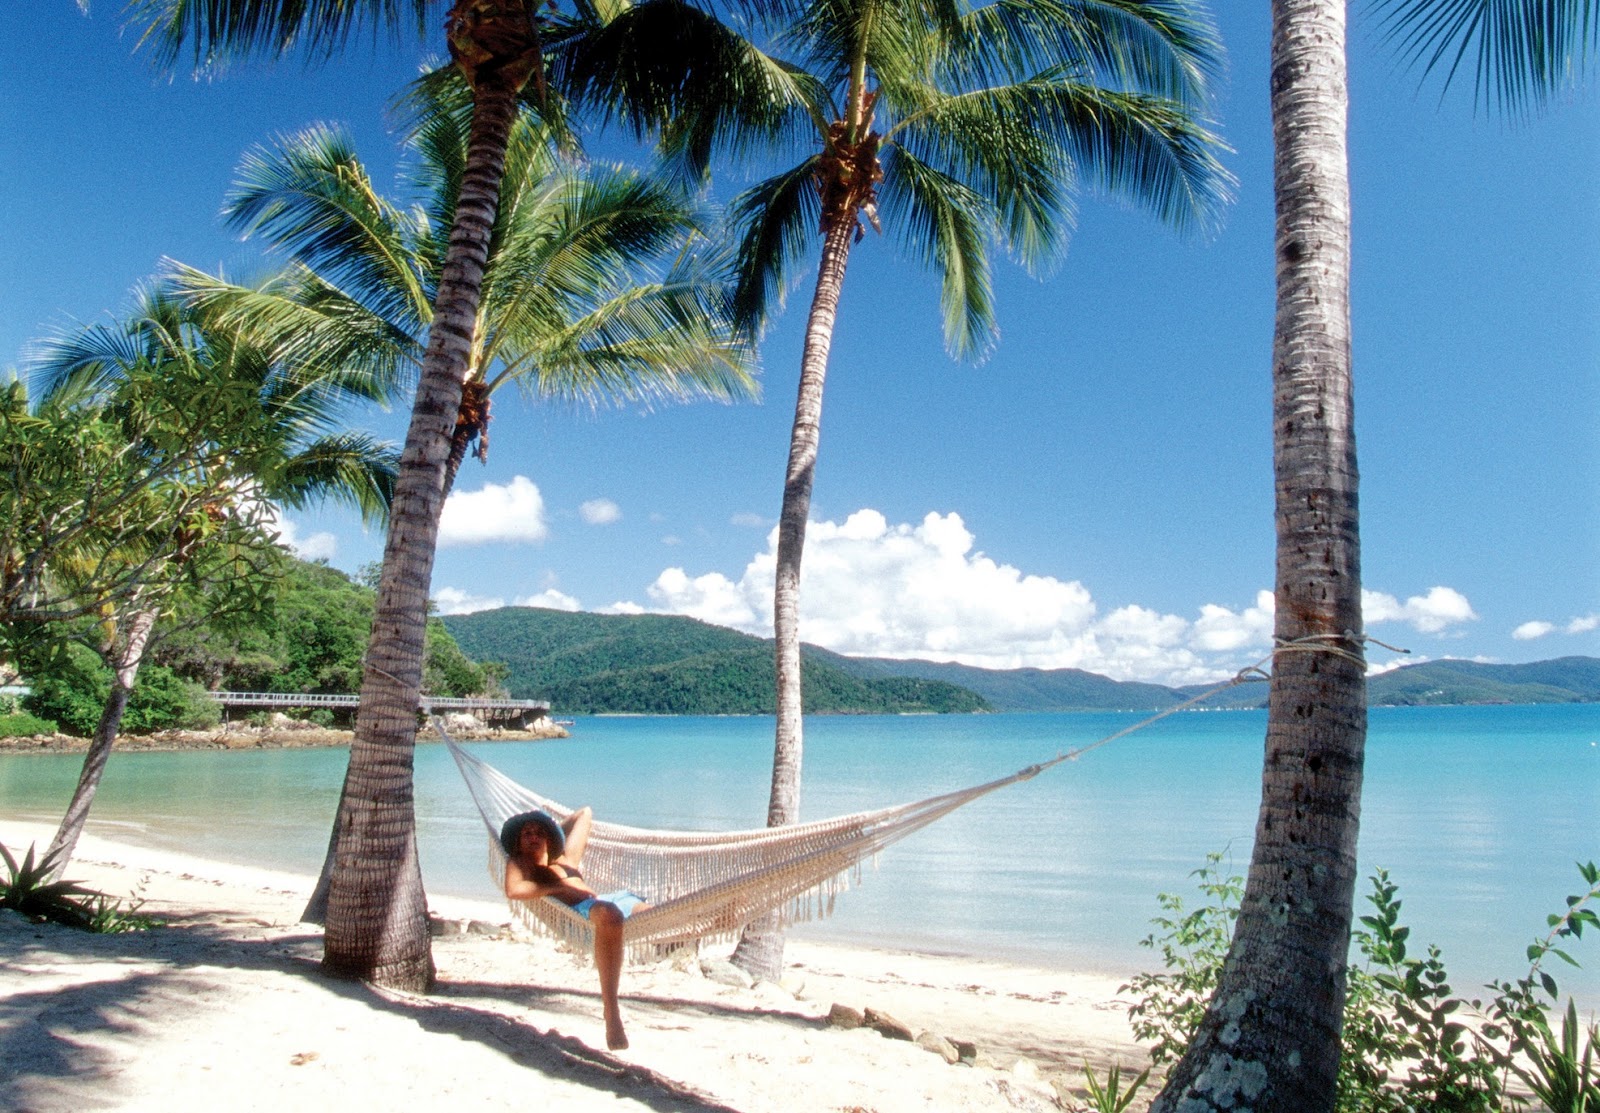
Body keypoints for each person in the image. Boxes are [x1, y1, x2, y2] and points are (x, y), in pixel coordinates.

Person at [500, 806, 649, 1050]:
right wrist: (561, 889)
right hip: (585, 913)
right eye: (527, 833)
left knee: (666, 916)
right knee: (610, 915)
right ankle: (611, 1014)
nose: (534, 837)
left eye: (540, 833)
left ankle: (723, 911)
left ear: (549, 839)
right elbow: (514, 890)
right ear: (518, 842)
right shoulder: (522, 863)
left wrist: (553, 828)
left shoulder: (567, 859)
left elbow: (585, 814)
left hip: (611, 900)